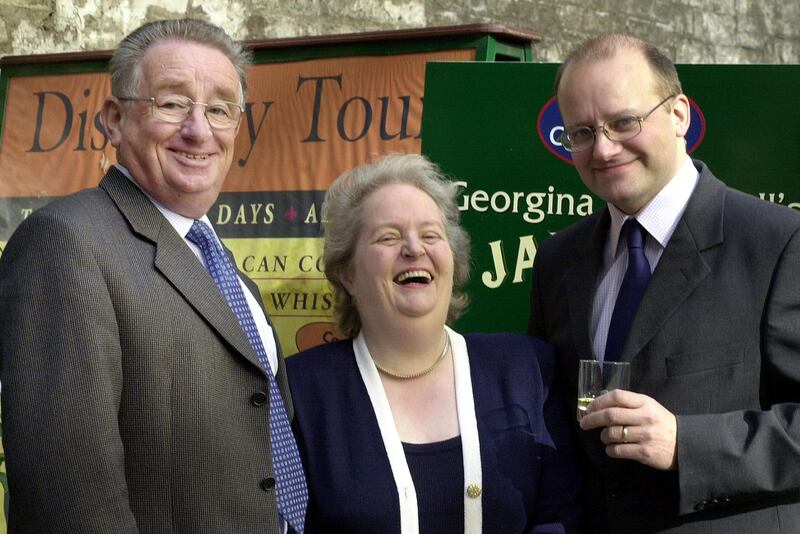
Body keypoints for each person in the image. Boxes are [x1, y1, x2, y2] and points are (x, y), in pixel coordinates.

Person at [0, 19, 308, 533]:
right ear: (115, 119)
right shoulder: (66, 242)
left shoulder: (220, 264)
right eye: (171, 103)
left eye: (220, 109)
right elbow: (68, 500)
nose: (199, 129)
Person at [528, 33, 800, 533]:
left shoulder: (778, 242)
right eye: (582, 132)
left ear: (679, 115)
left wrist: (687, 445)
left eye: (623, 122)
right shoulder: (557, 260)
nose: (603, 149)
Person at [287, 153, 582, 533]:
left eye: (430, 235)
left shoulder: (527, 370)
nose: (414, 248)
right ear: (348, 274)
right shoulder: (301, 391)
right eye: (388, 237)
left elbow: (561, 518)